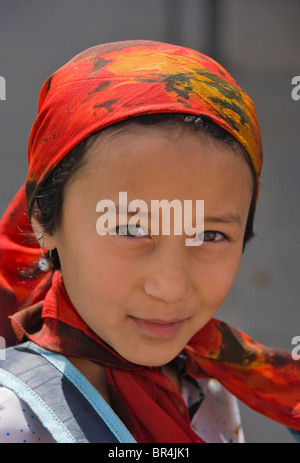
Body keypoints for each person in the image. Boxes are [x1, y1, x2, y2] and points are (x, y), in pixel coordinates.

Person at [0, 40, 299, 443]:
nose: (170, 286)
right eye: (130, 229)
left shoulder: (206, 389)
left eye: (210, 235)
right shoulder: (15, 417)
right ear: (44, 222)